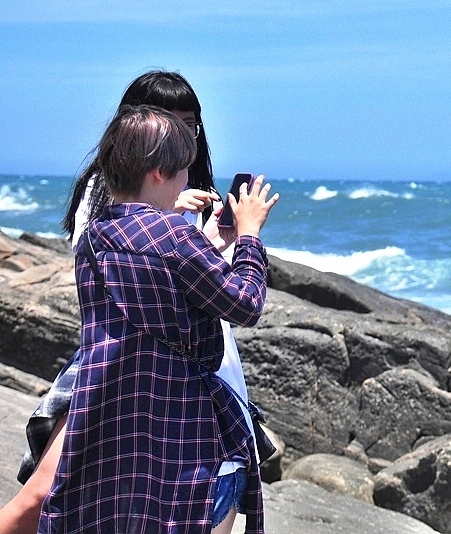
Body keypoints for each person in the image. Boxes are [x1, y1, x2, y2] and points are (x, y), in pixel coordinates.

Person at [0, 71, 261, 533]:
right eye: (169, 121)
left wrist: (202, 237)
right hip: (127, 362)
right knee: (50, 489)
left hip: (184, 361)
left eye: (191, 124)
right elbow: (147, 265)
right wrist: (238, 239)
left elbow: (169, 263)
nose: (184, 135)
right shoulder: (112, 200)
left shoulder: (168, 205)